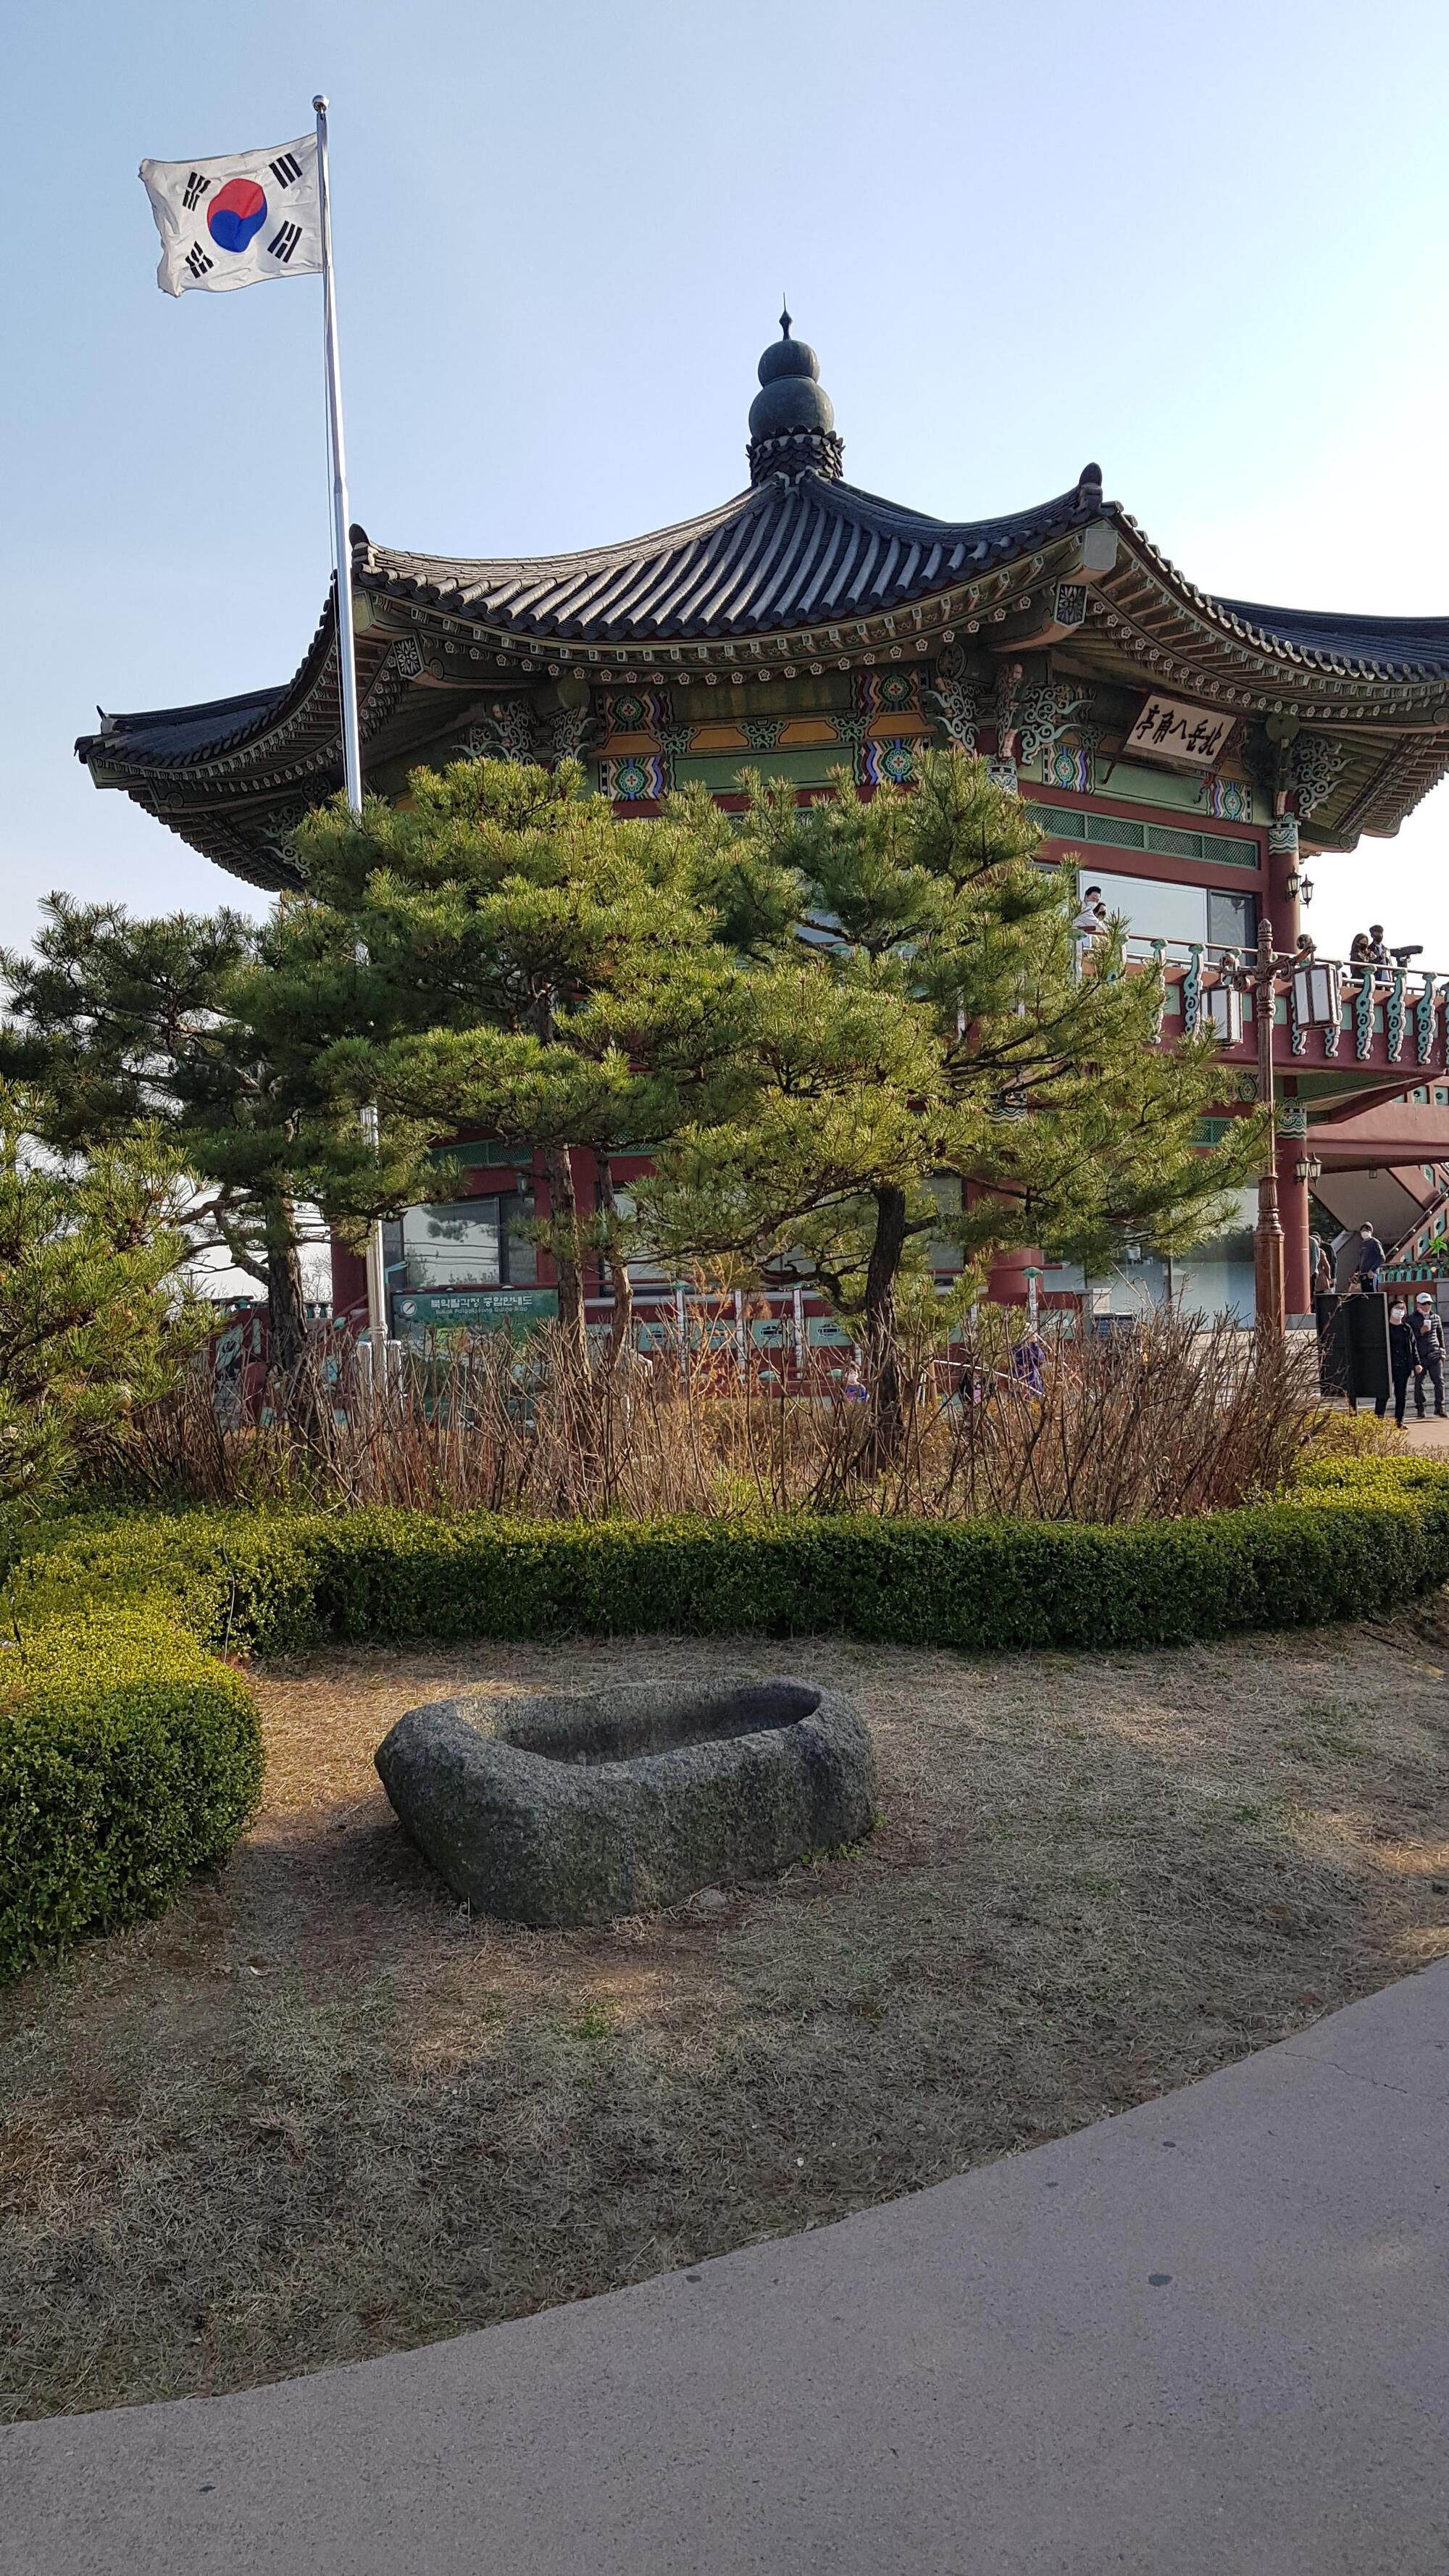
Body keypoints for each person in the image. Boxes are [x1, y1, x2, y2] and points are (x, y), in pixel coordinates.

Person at [1410, 1292, 1447, 1419]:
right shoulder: (1411, 1319)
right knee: (1419, 1382)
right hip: (1420, 1355)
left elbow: (1440, 1335)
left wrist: (1443, 1351)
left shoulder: (1436, 1317)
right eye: (1424, 1304)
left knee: (1439, 1381)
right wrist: (1421, 1331)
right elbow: (1410, 1337)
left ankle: (1440, 1407)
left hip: (1434, 1352)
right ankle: (1420, 1408)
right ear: (1418, 1305)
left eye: (1429, 1303)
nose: (1427, 1306)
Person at [1387, 1298, 1417, 1425]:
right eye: (1397, 1308)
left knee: (1401, 1394)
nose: (1400, 1311)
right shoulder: (1385, 1327)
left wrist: (1417, 1363)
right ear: (1391, 1310)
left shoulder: (1406, 1328)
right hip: (1388, 1366)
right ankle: (1378, 1419)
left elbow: (1413, 1347)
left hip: (1403, 1366)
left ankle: (1399, 1421)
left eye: (1402, 1309)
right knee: (1383, 1394)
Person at [1355, 1220, 1386, 1290]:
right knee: (1365, 1294)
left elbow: (1382, 1258)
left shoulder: (1374, 1242)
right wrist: (1356, 1271)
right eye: (1363, 1230)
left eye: (1367, 1230)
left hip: (1371, 1275)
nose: (1364, 1232)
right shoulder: (1363, 1244)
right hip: (1363, 1275)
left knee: (1372, 1294)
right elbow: (1362, 1260)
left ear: (1371, 1232)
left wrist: (1372, 1270)